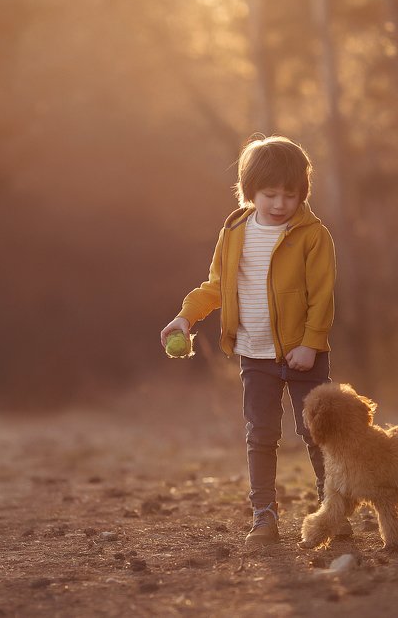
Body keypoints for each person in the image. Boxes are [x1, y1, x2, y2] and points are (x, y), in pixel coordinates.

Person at [160, 135, 350, 545]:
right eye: (270, 194)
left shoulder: (314, 236)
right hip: (254, 353)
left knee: (317, 433)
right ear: (250, 192)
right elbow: (215, 287)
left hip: (304, 355)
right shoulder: (233, 232)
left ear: (302, 193)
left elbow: (322, 295)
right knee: (260, 435)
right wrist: (184, 318)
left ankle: (332, 511)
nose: (280, 203)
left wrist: (311, 343)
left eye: (290, 194)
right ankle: (264, 516)